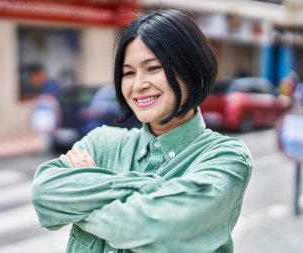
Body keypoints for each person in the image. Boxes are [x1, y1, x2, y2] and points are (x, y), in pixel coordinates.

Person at [31, 9, 252, 253]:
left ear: (190, 69)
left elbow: (160, 230)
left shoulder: (226, 158)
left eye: (153, 68)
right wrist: (151, 189)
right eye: (128, 73)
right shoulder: (102, 142)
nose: (138, 85)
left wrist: (90, 187)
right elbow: (43, 195)